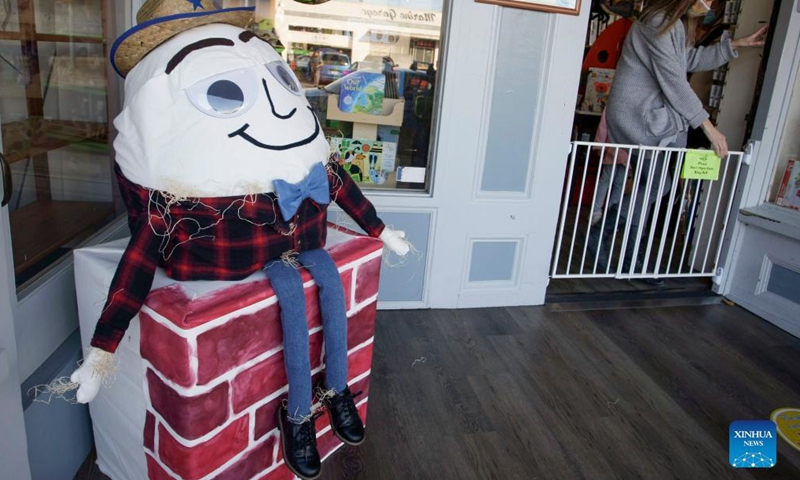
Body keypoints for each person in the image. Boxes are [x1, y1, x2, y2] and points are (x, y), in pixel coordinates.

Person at [589, 0, 767, 274]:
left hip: (647, 113)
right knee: (658, 184)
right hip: (639, 115)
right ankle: (621, 249)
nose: (709, 4)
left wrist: (735, 45)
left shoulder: (675, 23)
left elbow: (689, 61)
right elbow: (673, 79)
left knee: (656, 184)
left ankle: (618, 247)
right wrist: (707, 126)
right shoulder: (658, 22)